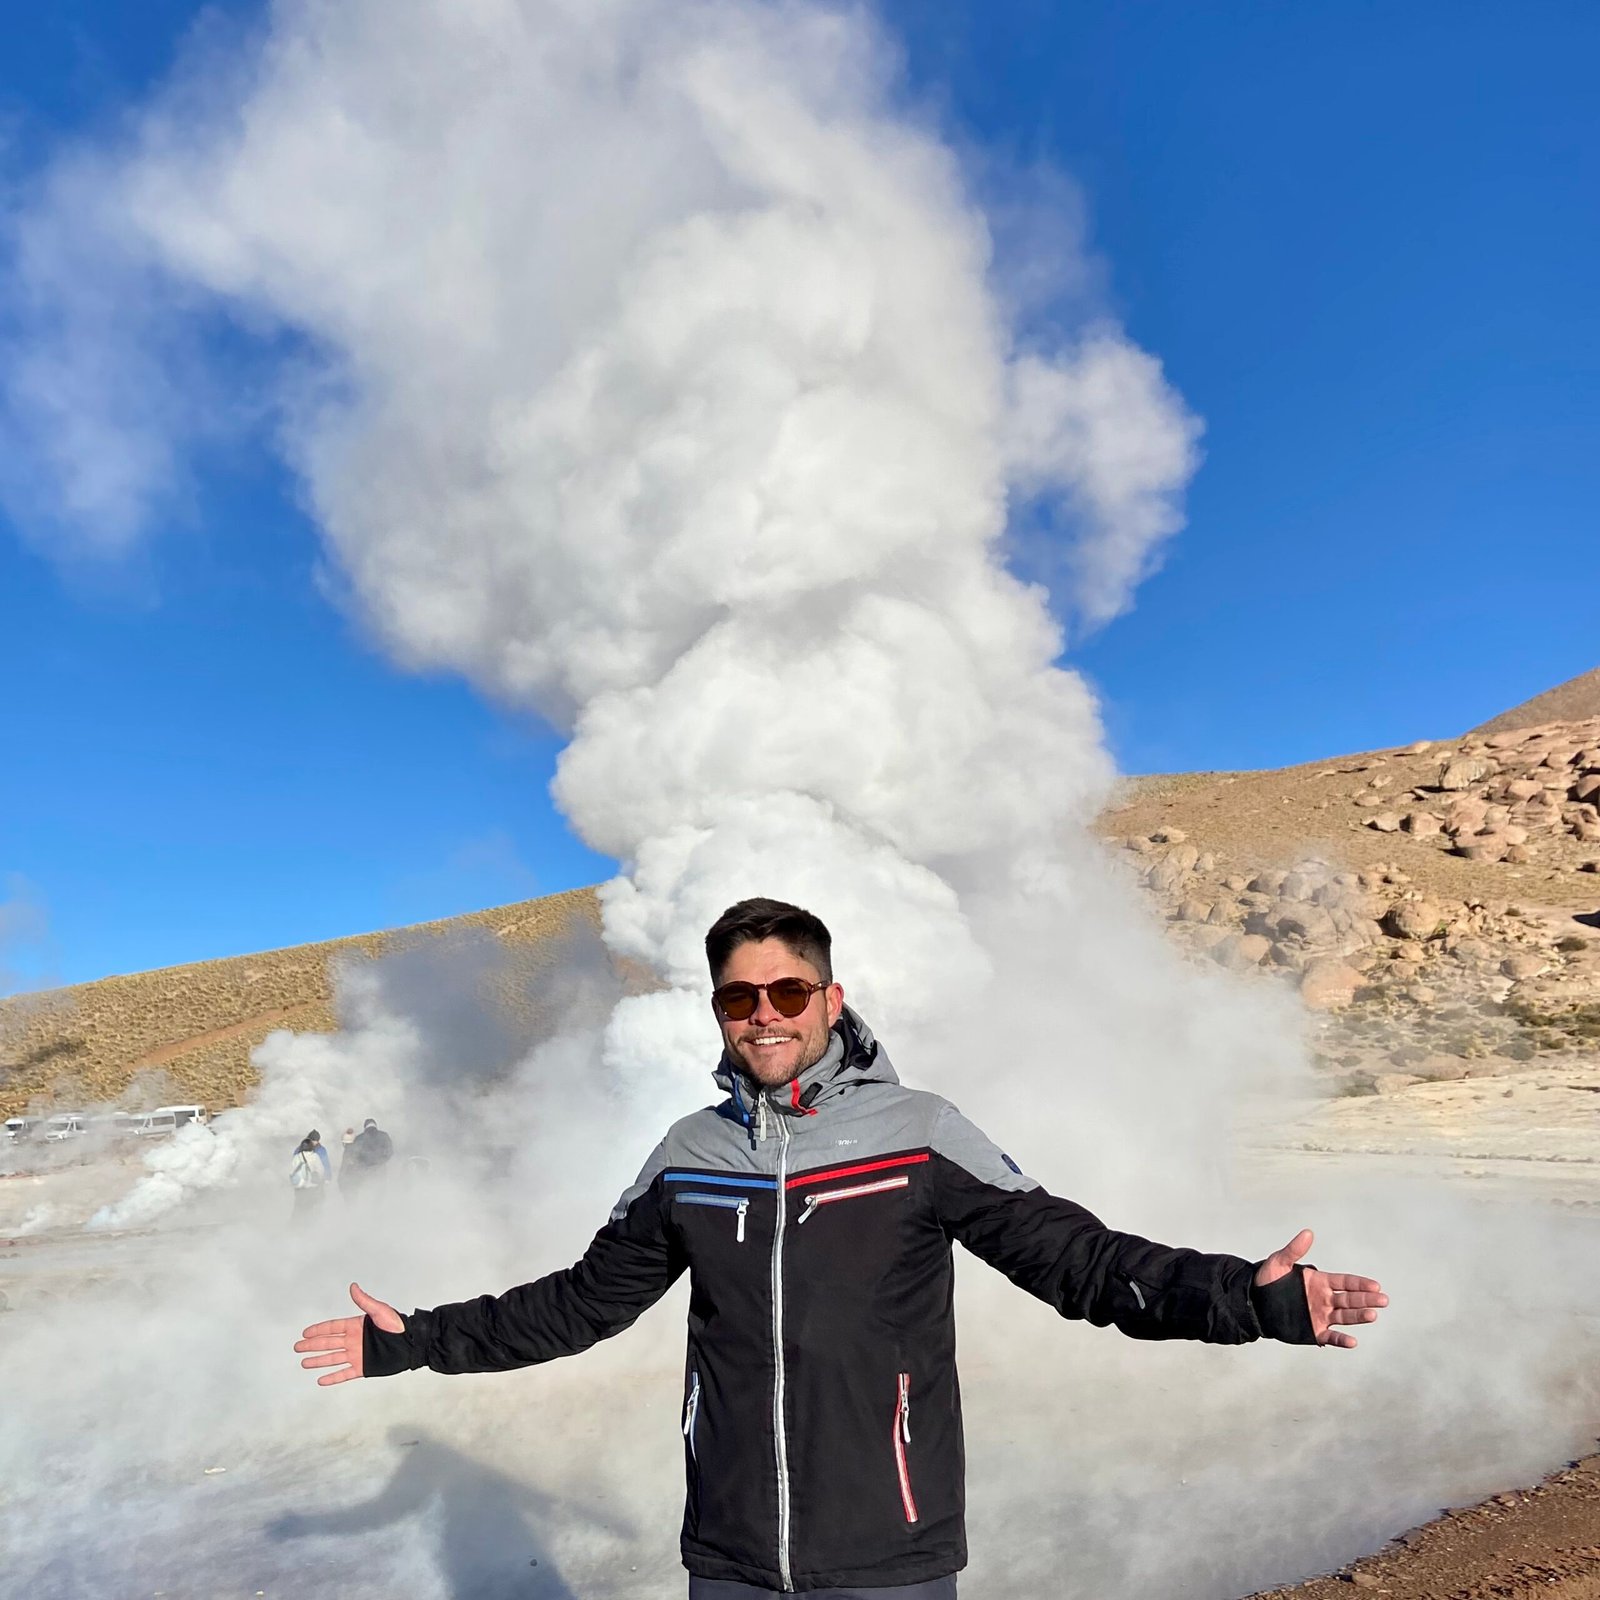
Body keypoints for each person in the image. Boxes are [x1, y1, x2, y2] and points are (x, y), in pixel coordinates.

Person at [296, 898, 1389, 1598]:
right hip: (728, 1548)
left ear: (830, 997)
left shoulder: (918, 1131)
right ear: (719, 1011)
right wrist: (414, 1341)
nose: (763, 1014)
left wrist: (1245, 1297)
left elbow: (1080, 1262)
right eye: (739, 996)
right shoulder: (689, 1152)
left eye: (785, 991)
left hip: (888, 1546)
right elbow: (581, 1303)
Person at [340, 1117, 395, 1197]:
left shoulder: (359, 1138)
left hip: (364, 1172)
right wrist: (382, 1161)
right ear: (375, 1125)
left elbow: (354, 1156)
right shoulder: (384, 1135)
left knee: (365, 1194)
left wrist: (361, 1165)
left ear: (365, 1127)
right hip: (380, 1170)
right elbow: (390, 1152)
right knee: (379, 1194)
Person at [289, 1129, 332, 1221]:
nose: (315, 1142)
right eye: (314, 1140)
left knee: (300, 1206)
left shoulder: (298, 1151)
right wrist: (325, 1178)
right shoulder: (318, 1152)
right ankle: (313, 1223)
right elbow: (323, 1167)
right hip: (314, 1184)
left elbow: (293, 1169)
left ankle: (297, 1225)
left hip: (301, 1186)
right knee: (316, 1204)